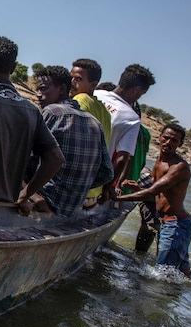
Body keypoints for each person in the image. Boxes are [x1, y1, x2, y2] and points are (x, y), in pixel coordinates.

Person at [0, 37, 65, 215]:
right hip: (9, 210)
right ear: (13, 68)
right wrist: (26, 194)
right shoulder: (32, 110)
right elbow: (55, 158)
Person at [33, 66, 113, 217]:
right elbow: (106, 173)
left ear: (63, 89)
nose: (38, 95)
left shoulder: (51, 112)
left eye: (43, 89)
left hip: (45, 199)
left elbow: (29, 160)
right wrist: (76, 189)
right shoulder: (95, 122)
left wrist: (29, 193)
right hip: (72, 205)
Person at [115, 124, 191, 276]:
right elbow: (158, 197)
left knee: (163, 275)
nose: (168, 143)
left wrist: (117, 197)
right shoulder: (159, 161)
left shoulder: (179, 167)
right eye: (166, 138)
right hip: (169, 223)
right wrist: (137, 191)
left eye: (174, 140)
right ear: (159, 137)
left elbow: (152, 191)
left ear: (180, 144)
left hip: (175, 224)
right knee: (182, 273)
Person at [95, 63, 156, 194]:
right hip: (94, 178)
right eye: (141, 94)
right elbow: (123, 158)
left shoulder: (94, 93)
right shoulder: (131, 118)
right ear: (136, 90)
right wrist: (106, 189)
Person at [70, 58, 112, 205]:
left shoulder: (80, 100)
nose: (72, 82)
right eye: (71, 77)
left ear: (93, 85)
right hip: (93, 190)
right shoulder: (104, 111)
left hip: (78, 191)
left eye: (78, 79)